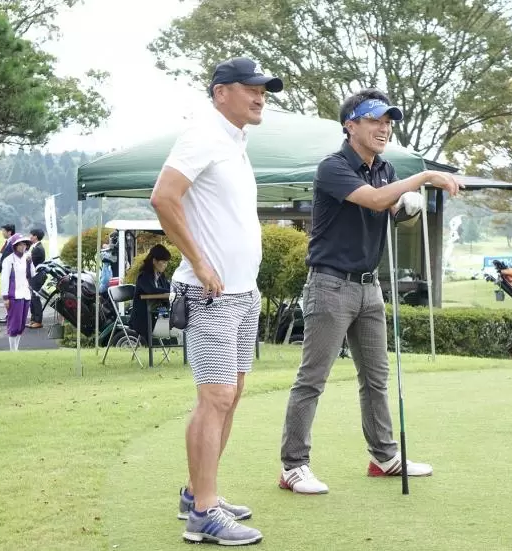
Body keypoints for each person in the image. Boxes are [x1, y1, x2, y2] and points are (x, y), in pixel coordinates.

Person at [278, 88, 463, 494]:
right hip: (329, 285)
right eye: (375, 120)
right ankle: (293, 466)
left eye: (388, 122)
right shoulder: (333, 167)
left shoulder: (384, 168)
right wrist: (423, 178)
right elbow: (377, 201)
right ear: (351, 125)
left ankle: (384, 457)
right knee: (312, 379)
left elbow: (392, 209)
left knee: (376, 378)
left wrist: (408, 208)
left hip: (369, 287)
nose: (384, 129)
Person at [150, 56, 283, 546]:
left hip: (242, 293)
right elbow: (164, 197)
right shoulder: (203, 134)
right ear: (221, 92)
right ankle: (203, 515)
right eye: (251, 88)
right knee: (216, 397)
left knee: (231, 396)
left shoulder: (235, 141)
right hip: (210, 294)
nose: (260, 96)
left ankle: (197, 493)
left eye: (264, 90)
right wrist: (200, 263)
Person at [128, 244, 172, 340]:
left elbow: (168, 288)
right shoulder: (144, 276)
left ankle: (170, 330)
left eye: (166, 263)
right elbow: (151, 290)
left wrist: (173, 290)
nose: (165, 265)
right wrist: (171, 291)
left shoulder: (161, 276)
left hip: (156, 314)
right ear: (154, 261)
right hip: (143, 318)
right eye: (163, 262)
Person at [0, 234, 34, 351]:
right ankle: (12, 350)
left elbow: (32, 274)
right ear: (15, 246)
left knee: (21, 325)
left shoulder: (27, 258)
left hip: (26, 294)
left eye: (24, 244)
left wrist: (31, 263)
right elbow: (4, 279)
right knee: (14, 324)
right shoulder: (9, 260)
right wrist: (5, 297)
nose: (23, 246)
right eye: (20, 244)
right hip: (14, 296)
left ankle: (16, 349)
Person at [0, 224, 16, 323]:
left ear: (9, 232)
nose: (2, 233)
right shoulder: (8, 242)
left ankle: (10, 315)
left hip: (10, 273)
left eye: (3, 231)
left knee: (9, 295)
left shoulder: (13, 242)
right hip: (5, 271)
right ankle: (9, 315)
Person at [27, 229, 46, 329]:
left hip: (37, 276)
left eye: (31, 235)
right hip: (34, 276)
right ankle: (34, 319)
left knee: (35, 298)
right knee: (32, 298)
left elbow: (31, 262)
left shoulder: (38, 249)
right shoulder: (35, 247)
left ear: (35, 236)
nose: (30, 236)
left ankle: (38, 321)